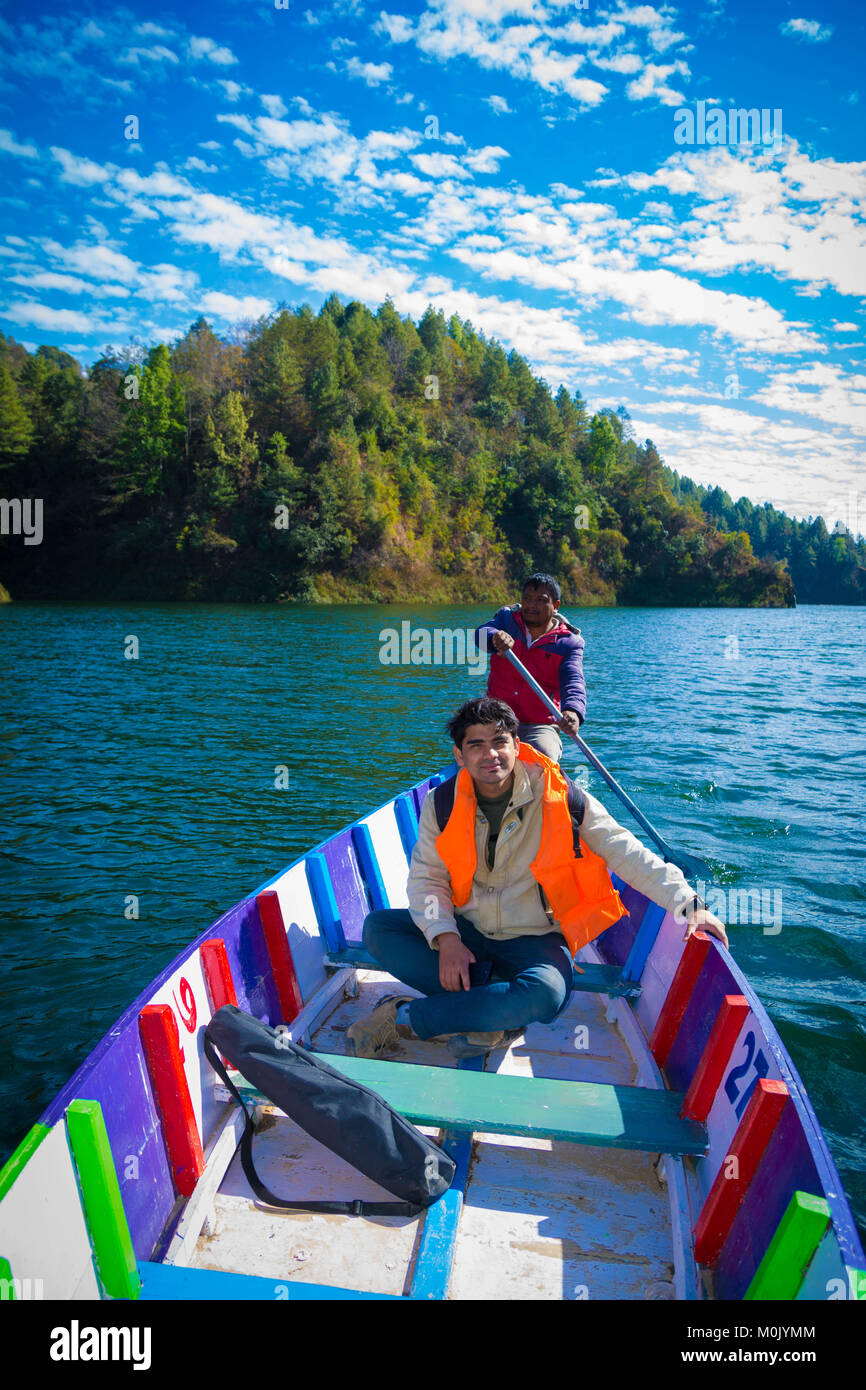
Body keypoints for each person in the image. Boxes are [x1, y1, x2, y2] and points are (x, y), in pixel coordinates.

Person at [347, 697, 728, 1061]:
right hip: (469, 932)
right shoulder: (441, 802)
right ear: (459, 755)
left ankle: (406, 1017)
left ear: (517, 745)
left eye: (500, 742)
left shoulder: (561, 796)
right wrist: (445, 938)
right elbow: (427, 880)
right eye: (476, 745)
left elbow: (622, 849)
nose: (490, 754)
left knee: (545, 995)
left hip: (535, 940)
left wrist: (688, 903)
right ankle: (495, 1012)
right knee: (380, 929)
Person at [475, 573, 584, 763]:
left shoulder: (569, 643)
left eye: (541, 600)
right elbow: (481, 634)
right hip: (496, 718)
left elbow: (573, 682)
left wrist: (573, 711)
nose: (531, 605)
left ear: (556, 606)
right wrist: (494, 637)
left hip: (540, 725)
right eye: (527, 599)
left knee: (544, 758)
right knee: (474, 752)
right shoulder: (507, 620)